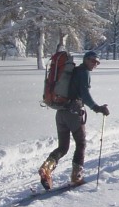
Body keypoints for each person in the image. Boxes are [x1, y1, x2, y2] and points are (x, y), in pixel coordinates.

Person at [38, 50, 110, 190]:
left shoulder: (72, 71)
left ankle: (46, 168)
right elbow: (85, 94)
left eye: (97, 62)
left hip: (61, 112)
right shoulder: (83, 73)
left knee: (63, 147)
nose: (94, 64)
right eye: (92, 60)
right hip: (73, 114)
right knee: (81, 143)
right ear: (85, 60)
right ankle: (76, 177)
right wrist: (97, 108)